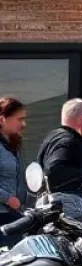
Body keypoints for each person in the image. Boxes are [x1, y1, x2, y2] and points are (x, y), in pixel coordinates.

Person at [0, 98, 28, 235]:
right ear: (2, 120)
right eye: (19, 119)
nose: (24, 124)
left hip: (13, 216)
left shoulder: (12, 145)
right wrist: (7, 198)